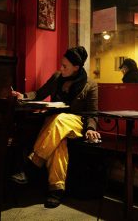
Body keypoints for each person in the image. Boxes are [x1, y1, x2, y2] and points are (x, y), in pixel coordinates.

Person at [12, 46, 101, 208]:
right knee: (59, 143)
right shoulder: (57, 77)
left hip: (75, 123)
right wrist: (23, 96)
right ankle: (56, 190)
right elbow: (39, 93)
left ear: (77, 67)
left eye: (65, 66)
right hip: (53, 124)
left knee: (60, 119)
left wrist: (91, 128)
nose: (61, 68)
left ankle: (32, 165)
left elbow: (93, 112)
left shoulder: (90, 85)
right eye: (61, 64)